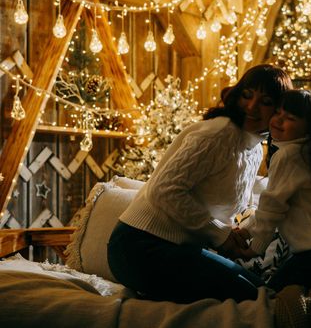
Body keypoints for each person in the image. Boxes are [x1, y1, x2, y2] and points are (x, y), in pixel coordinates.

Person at [107, 64, 293, 303]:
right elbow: (165, 191)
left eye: (265, 101)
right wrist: (220, 234)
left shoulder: (255, 148)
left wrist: (235, 235)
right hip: (139, 247)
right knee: (257, 297)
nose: (251, 107)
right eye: (247, 95)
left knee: (260, 290)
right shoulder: (219, 134)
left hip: (180, 247)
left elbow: (224, 208)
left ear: (278, 109)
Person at [237, 89, 311, 293]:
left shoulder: (290, 155)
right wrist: (245, 230)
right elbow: (270, 207)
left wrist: (256, 248)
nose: (278, 120)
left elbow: (271, 208)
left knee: (268, 296)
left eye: (290, 117)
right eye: (278, 113)